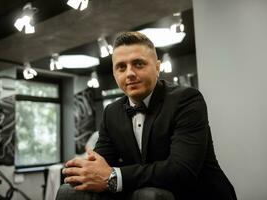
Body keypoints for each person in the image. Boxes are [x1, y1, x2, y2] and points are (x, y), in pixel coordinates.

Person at [61, 32, 237, 200]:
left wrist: (115, 176)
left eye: (138, 64)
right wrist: (83, 172)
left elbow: (182, 169)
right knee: (69, 192)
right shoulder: (111, 112)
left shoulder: (187, 99)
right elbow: (101, 168)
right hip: (146, 193)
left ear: (157, 67)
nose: (129, 73)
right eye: (121, 67)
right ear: (115, 74)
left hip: (198, 194)